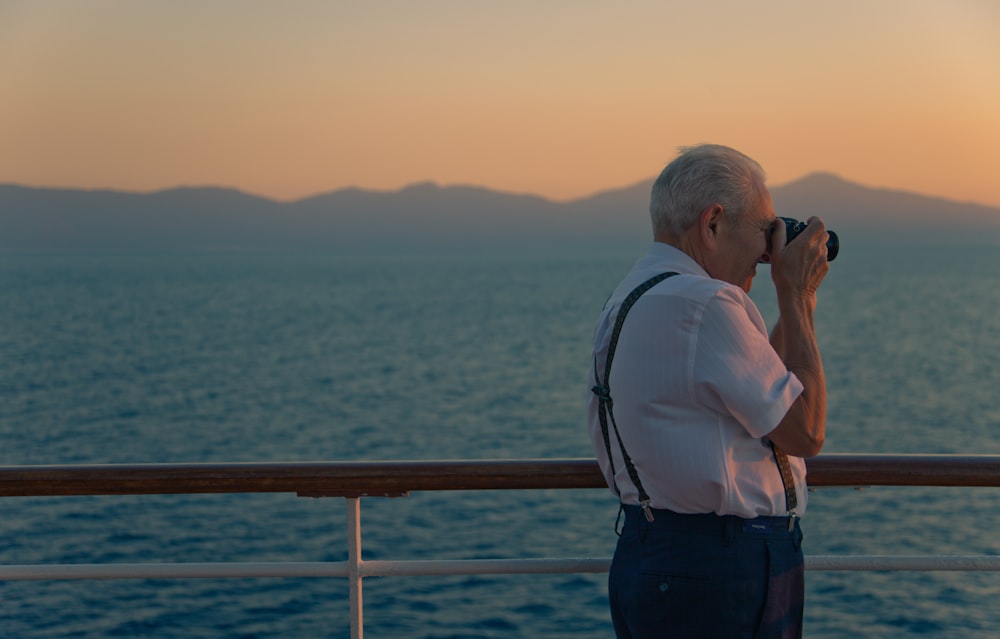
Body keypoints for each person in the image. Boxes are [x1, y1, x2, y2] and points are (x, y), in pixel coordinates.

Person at [587, 144, 830, 638]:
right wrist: (798, 297)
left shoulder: (636, 294)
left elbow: (767, 389)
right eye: (766, 232)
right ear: (713, 223)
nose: (769, 253)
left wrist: (796, 300)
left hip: (655, 552)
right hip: (722, 568)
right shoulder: (707, 303)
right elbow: (804, 431)